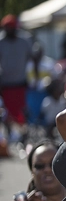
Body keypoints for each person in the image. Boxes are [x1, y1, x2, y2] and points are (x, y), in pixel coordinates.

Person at [0, 14, 32, 142]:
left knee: (22, 110)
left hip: (20, 82)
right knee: (6, 110)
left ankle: (24, 133)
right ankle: (8, 133)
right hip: (6, 83)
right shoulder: (1, 42)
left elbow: (32, 56)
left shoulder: (24, 41)